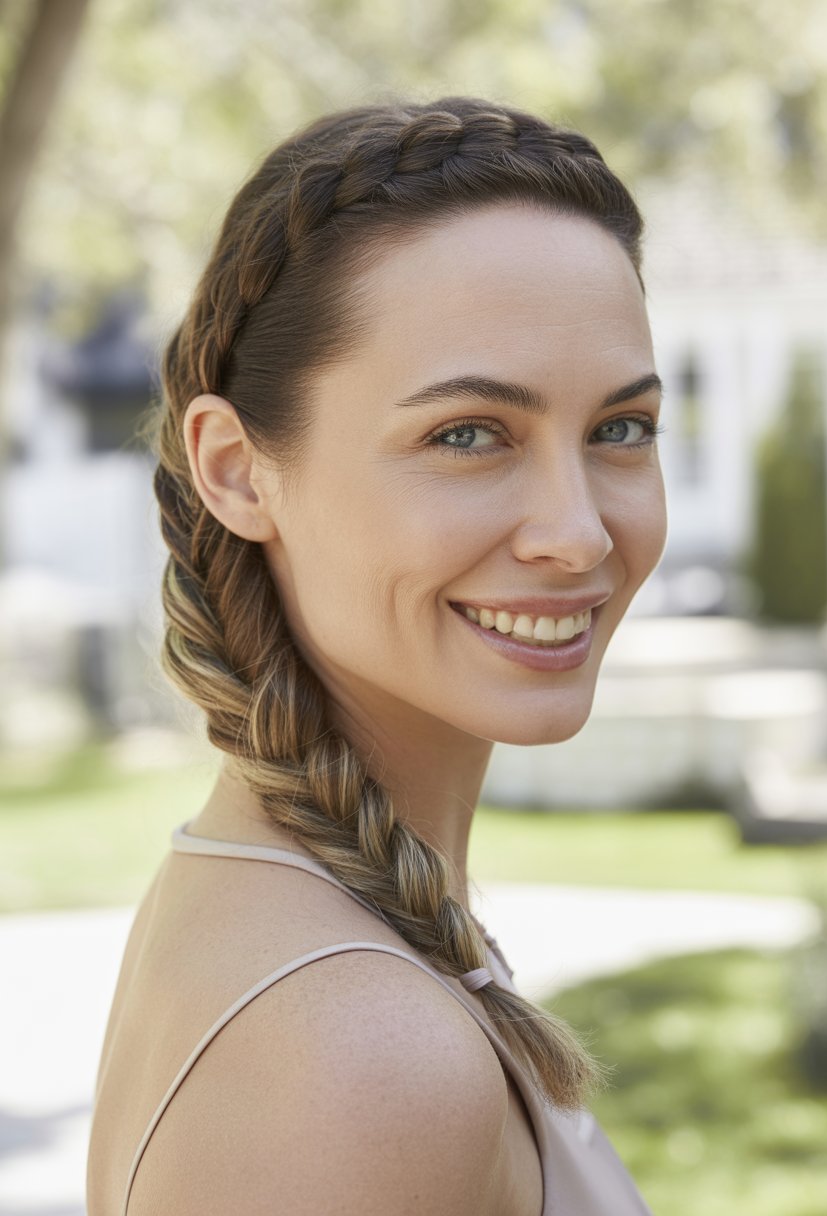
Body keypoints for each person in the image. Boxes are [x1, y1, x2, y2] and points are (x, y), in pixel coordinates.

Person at [87, 94, 666, 1215]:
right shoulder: (364, 1059)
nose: (580, 531)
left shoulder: (270, 889)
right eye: (465, 434)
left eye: (619, 429)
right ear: (238, 469)